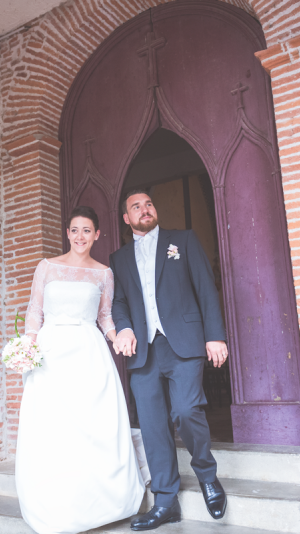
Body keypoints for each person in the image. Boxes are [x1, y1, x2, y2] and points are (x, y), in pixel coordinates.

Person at [15, 206, 145, 534]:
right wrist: (28, 343)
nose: (80, 237)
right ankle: (57, 504)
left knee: (92, 426)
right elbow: (35, 309)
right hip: (51, 353)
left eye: (87, 230)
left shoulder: (103, 273)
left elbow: (104, 317)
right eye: (74, 230)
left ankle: (102, 504)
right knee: (55, 428)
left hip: (89, 352)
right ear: (67, 233)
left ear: (97, 234)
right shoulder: (46, 267)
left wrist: (119, 337)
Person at [110, 190, 228, 531]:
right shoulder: (118, 259)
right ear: (126, 218)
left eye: (149, 203)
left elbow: (205, 287)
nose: (145, 209)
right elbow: (118, 302)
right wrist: (125, 327)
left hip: (184, 344)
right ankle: (165, 501)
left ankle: (207, 475)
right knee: (151, 425)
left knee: (186, 411)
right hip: (143, 352)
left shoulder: (183, 240)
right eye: (136, 207)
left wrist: (214, 335)